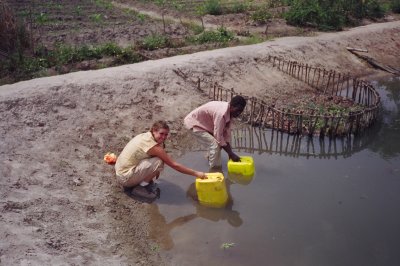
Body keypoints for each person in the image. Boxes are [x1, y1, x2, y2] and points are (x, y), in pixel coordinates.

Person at [115, 120, 207, 200]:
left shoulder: (146, 136)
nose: (163, 137)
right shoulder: (153, 146)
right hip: (125, 179)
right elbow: (174, 165)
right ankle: (141, 187)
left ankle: (141, 180)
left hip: (121, 172)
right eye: (161, 134)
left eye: (166, 134)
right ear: (154, 131)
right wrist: (197, 173)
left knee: (158, 160)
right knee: (159, 162)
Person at [184, 95, 247, 171]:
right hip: (194, 123)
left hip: (205, 123)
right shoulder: (221, 114)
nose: (238, 114)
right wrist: (230, 153)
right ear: (232, 106)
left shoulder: (229, 112)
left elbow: (225, 134)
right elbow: (218, 137)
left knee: (219, 144)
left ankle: (210, 157)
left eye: (240, 111)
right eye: (237, 110)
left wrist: (230, 152)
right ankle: (214, 171)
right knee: (215, 145)